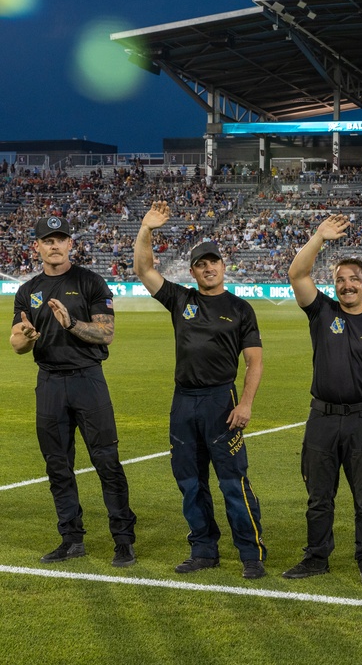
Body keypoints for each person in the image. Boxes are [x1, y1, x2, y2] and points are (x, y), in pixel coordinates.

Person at [134, 201, 267, 579]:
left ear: (224, 267)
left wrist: (245, 403)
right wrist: (146, 229)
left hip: (220, 402)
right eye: (201, 264)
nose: (209, 268)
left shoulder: (241, 309)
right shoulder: (181, 299)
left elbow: (254, 361)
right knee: (190, 482)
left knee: (231, 480)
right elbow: (143, 269)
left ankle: (251, 553)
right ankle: (204, 549)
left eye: (214, 262)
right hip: (183, 403)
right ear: (192, 271)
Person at [281, 215, 362, 587]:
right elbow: (297, 275)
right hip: (321, 419)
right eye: (340, 280)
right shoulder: (322, 312)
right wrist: (319, 236)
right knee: (319, 498)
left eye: (354, 280)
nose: (347, 285)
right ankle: (316, 558)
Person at [10, 216, 138, 567]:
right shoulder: (28, 290)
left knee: (106, 461)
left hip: (87, 380)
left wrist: (71, 323)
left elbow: (106, 333)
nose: (54, 245)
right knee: (58, 466)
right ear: (36, 246)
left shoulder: (90, 281)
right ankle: (71, 539)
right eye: (47, 240)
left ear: (70, 244)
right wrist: (26, 337)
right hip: (49, 383)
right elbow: (16, 342)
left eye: (60, 239)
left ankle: (123, 540)